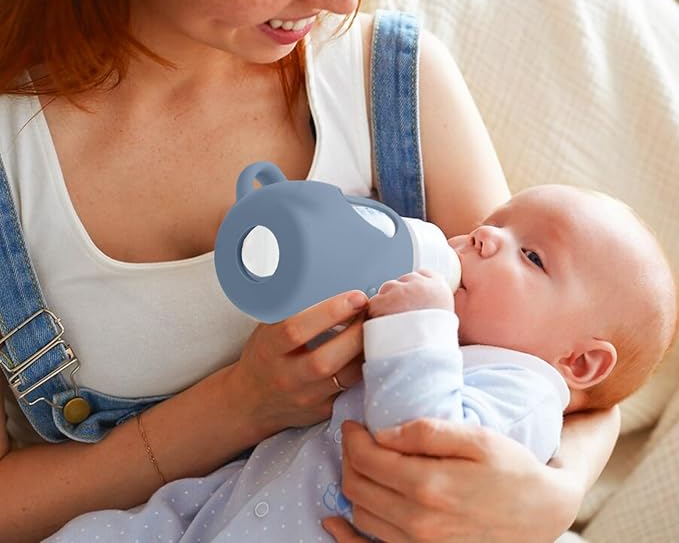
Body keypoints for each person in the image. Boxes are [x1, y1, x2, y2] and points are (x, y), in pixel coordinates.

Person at [0, 0, 620, 542]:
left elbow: (564, 359)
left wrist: (553, 494)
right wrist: (240, 406)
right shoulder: (17, 162)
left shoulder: (391, 85)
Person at [45, 183, 677, 542]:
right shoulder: (449, 336)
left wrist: (417, 325)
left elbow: (426, 442)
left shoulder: (525, 390)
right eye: (494, 223)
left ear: (580, 363)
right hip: (216, 510)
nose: (484, 237)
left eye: (532, 257)